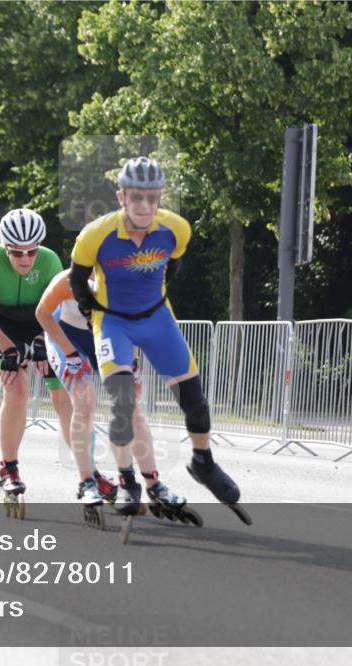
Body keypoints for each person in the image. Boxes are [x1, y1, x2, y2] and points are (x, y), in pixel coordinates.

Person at [68, 157, 243, 515]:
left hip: (157, 317)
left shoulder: (177, 229)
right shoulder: (94, 235)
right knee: (122, 403)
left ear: (160, 196)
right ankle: (127, 481)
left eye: (152, 197)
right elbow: (77, 281)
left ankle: (203, 462)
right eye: (136, 197)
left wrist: (148, 300)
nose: (144, 205)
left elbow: (173, 266)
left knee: (194, 399)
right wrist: (94, 316)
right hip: (112, 321)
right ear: (121, 197)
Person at [35, 269, 160, 507]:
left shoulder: (127, 282)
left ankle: (154, 484)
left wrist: (132, 362)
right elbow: (42, 313)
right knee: (84, 400)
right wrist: (69, 353)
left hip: (106, 340)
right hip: (68, 339)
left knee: (131, 409)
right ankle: (87, 482)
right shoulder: (69, 279)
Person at [0, 208, 70, 499]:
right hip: (3, 329)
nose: (25, 259)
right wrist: (7, 347)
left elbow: (57, 308)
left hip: (41, 326)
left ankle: (88, 471)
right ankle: (9, 469)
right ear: (5, 248)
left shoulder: (50, 260)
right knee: (17, 388)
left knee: (61, 392)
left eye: (31, 251)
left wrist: (41, 341)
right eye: (16, 253)